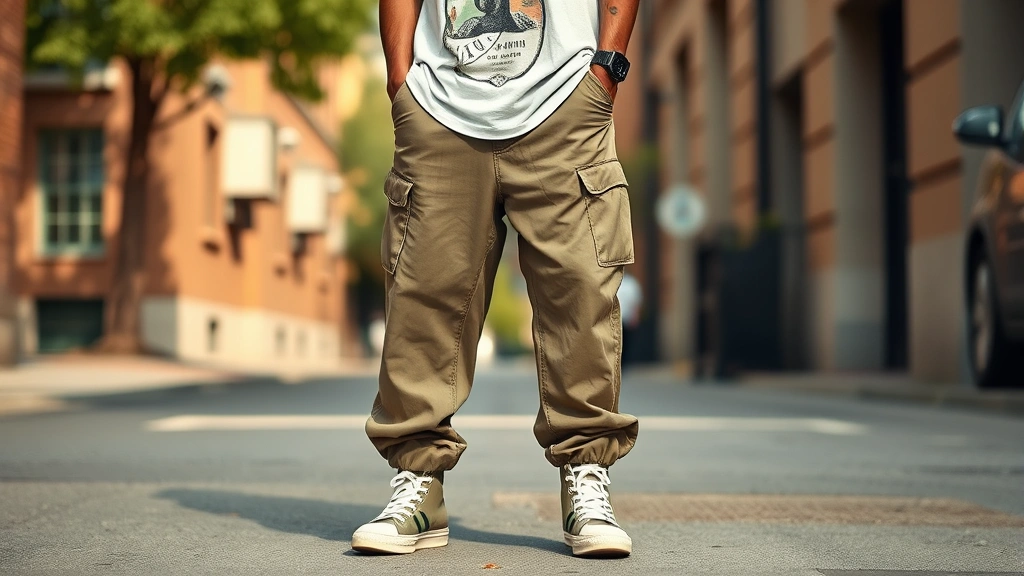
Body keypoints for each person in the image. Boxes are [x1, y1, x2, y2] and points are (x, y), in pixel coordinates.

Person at [352, 0, 640, 558]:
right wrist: (399, 82)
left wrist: (607, 68)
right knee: (423, 297)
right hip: (439, 107)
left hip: (566, 101)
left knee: (579, 290)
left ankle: (585, 475)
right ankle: (420, 485)